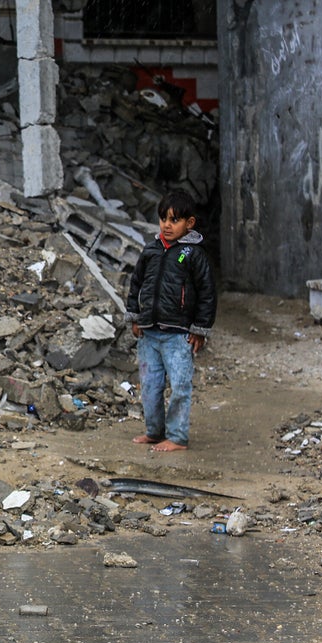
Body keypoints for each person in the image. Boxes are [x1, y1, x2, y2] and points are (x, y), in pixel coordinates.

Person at [125, 189, 217, 452]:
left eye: (174, 220)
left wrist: (200, 329)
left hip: (178, 335)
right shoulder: (151, 250)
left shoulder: (192, 255)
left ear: (189, 224)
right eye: (163, 219)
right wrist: (134, 315)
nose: (167, 225)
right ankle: (154, 432)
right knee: (150, 386)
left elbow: (207, 293)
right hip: (149, 333)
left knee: (179, 386)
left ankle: (177, 437)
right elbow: (136, 284)